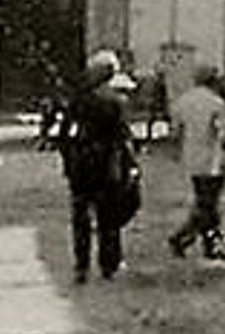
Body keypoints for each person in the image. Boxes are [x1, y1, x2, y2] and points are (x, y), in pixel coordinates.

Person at [61, 50, 137, 284]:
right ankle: (109, 264)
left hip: (81, 164)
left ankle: (81, 266)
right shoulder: (116, 101)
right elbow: (123, 138)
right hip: (107, 164)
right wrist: (130, 165)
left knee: (81, 218)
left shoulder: (78, 100)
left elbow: (65, 134)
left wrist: (68, 161)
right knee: (108, 217)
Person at [168, 65, 225, 260]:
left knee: (206, 204)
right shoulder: (216, 104)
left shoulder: (184, 101)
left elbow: (175, 131)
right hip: (213, 161)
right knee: (208, 206)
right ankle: (182, 238)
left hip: (192, 159)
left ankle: (209, 246)